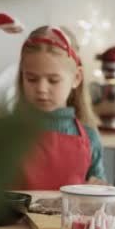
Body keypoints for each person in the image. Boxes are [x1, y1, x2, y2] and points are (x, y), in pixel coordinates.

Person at [13, 25, 106, 190]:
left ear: (76, 78)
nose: (41, 88)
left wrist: (100, 188)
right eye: (32, 79)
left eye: (53, 80)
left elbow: (100, 191)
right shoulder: (7, 135)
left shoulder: (90, 138)